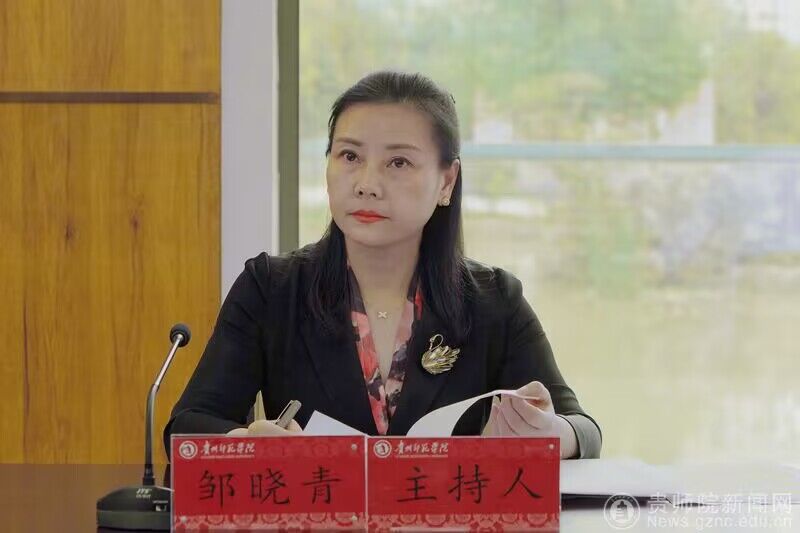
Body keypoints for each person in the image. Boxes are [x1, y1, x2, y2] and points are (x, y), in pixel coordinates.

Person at [164, 71, 602, 459]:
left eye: (398, 162)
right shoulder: (270, 288)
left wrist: (549, 432)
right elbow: (187, 426)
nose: (367, 184)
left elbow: (583, 430)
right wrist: (248, 443)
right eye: (349, 156)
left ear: (446, 181)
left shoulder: (494, 300)